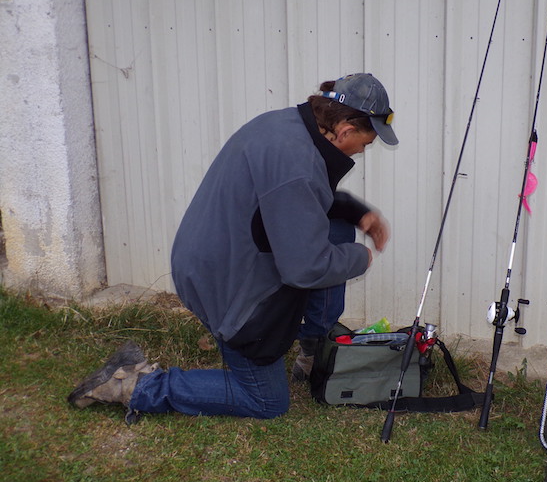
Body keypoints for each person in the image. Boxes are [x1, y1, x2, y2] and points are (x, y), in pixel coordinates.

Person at [68, 73, 398, 422]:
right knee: (266, 401)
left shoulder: (287, 126)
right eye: (366, 143)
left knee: (337, 229)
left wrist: (354, 211)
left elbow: (296, 203)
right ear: (345, 130)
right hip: (224, 282)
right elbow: (305, 267)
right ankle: (135, 385)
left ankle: (314, 347)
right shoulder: (296, 165)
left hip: (213, 253)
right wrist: (360, 258)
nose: (362, 151)